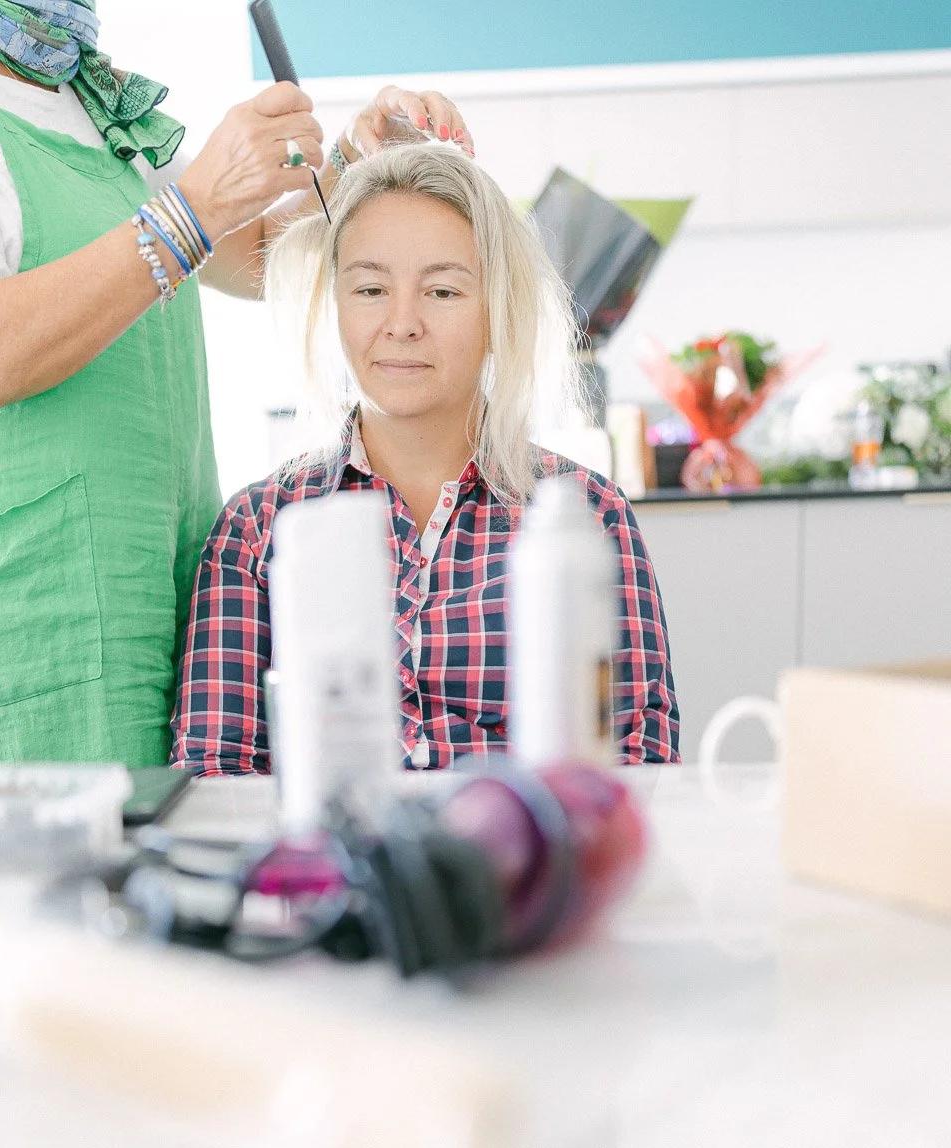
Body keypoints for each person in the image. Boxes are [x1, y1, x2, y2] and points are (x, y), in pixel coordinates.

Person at [0, 0, 474, 769]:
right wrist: (197, 206)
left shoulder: (75, 85)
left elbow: (254, 255)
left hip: (162, 600)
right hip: (24, 622)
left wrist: (357, 166)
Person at [171, 144, 679, 775]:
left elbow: (636, 764)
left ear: (497, 312)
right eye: (369, 288)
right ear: (335, 307)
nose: (402, 322)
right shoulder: (256, 529)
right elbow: (215, 777)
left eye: (442, 290)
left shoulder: (587, 517)